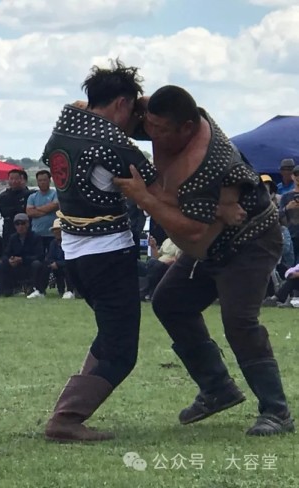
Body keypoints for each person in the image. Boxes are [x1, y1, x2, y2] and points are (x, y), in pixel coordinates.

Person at [114, 85, 293, 436]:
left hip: (250, 242)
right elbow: (128, 114)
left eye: (161, 130)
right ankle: (217, 387)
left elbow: (193, 233)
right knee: (169, 302)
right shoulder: (160, 116)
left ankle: (277, 411)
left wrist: (144, 197)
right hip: (212, 243)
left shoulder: (208, 163)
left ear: (186, 127)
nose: (152, 135)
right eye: (149, 126)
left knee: (239, 321)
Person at [41, 60, 158, 442]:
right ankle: (66, 419)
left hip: (73, 254)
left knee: (109, 337)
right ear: (123, 103)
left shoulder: (61, 132)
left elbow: (77, 107)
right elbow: (159, 185)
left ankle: (67, 412)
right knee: (121, 350)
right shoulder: (114, 145)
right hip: (108, 255)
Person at [0, 213, 44, 298]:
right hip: (16, 266)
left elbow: (39, 256)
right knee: (1, 264)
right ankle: (5, 290)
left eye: (23, 223)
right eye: (17, 224)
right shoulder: (12, 238)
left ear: (28, 224)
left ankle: (35, 289)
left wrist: (22, 259)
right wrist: (9, 260)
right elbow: (5, 254)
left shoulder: (36, 237)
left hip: (29, 265)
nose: (20, 226)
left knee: (36, 264)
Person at [41, 218, 75, 299]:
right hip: (56, 266)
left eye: (59, 230)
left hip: (67, 265)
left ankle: (70, 290)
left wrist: (58, 263)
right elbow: (49, 256)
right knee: (44, 265)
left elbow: (70, 258)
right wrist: (52, 263)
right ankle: (40, 290)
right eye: (55, 230)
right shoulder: (53, 243)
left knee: (67, 268)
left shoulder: (69, 243)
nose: (56, 232)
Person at [26, 170, 59, 255]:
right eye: (40, 180)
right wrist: (47, 210)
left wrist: (36, 208)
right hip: (37, 234)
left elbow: (54, 206)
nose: (42, 182)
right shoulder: (32, 197)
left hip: (53, 234)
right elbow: (29, 213)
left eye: (45, 180)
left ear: (49, 180)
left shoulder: (56, 194)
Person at [0, 169, 33, 245]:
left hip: (26, 229)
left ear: (22, 179)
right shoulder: (4, 195)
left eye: (16, 179)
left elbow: (27, 211)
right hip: (9, 228)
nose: (14, 181)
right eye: (11, 179)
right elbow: (4, 212)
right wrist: (17, 208)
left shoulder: (29, 195)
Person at [278, 166, 299, 265]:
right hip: (291, 235)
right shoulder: (285, 197)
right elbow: (278, 215)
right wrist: (287, 208)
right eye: (296, 174)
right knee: (291, 266)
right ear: (292, 177)